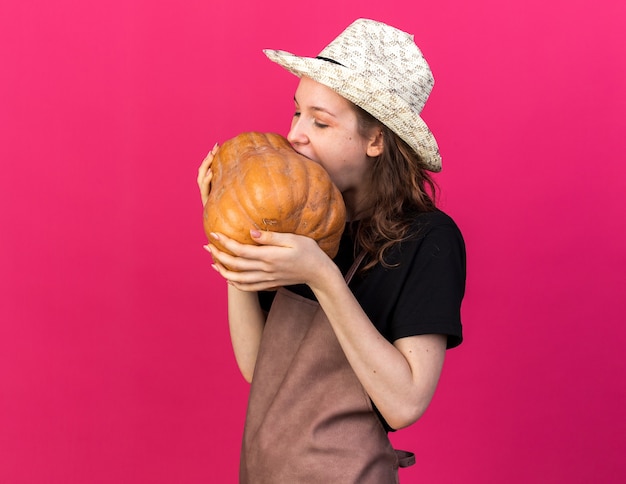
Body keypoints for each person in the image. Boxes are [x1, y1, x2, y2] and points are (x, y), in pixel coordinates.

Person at [197, 18, 466, 483]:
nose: (297, 134)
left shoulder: (428, 239)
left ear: (376, 139)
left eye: (320, 121)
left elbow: (403, 405)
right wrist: (234, 239)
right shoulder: (293, 219)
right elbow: (259, 370)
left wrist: (322, 274)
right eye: (297, 112)